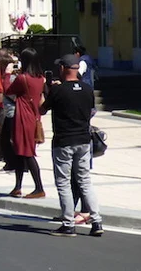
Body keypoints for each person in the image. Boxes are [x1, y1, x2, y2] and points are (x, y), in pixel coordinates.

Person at [41, 55, 104, 237]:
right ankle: (96, 220)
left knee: (64, 182)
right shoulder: (87, 89)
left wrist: (45, 91)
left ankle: (68, 223)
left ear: (63, 68)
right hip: (83, 139)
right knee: (85, 180)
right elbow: (91, 111)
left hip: (64, 140)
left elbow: (41, 109)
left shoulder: (58, 90)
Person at [6, 47, 46, 199]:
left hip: (23, 118)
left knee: (27, 153)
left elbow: (7, 90)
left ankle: (39, 188)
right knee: (20, 152)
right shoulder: (40, 78)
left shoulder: (22, 78)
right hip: (34, 117)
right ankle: (17, 186)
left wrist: (7, 73)